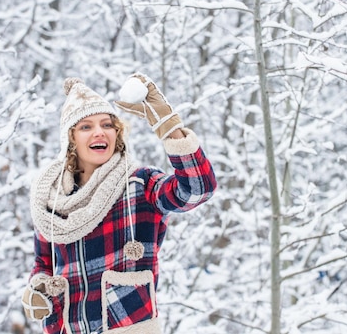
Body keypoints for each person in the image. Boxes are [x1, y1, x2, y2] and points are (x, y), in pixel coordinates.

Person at [21, 73, 217, 334]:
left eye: (107, 124)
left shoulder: (140, 184)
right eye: (86, 127)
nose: (99, 132)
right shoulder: (52, 199)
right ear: (70, 140)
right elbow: (44, 263)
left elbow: (198, 188)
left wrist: (170, 126)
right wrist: (40, 288)